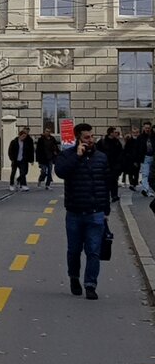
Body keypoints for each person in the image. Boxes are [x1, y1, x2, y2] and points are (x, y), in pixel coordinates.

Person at [54, 122, 112, 300]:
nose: (91, 140)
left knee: (93, 250)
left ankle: (90, 284)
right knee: (74, 250)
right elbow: (61, 172)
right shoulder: (67, 156)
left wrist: (106, 209)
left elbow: (106, 183)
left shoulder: (101, 157)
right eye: (87, 137)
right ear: (78, 138)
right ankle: (74, 277)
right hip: (74, 212)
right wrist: (77, 157)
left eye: (92, 136)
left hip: (95, 212)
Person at [98, 126, 125, 203]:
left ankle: (114, 195)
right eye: (114, 132)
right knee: (105, 181)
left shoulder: (117, 142)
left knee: (114, 181)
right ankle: (105, 196)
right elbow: (97, 152)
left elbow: (121, 153)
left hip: (114, 165)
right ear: (111, 133)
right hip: (105, 164)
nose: (116, 133)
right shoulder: (102, 142)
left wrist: (119, 164)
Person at [7, 127, 34, 191]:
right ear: (20, 135)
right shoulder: (14, 142)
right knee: (13, 172)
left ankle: (23, 185)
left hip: (23, 159)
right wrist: (12, 158)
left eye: (25, 136)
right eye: (23, 136)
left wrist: (31, 160)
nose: (24, 138)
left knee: (23, 172)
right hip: (15, 159)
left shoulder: (26, 142)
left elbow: (30, 151)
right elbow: (10, 151)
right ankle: (11, 185)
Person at [35, 126, 61, 190]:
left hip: (50, 157)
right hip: (43, 158)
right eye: (46, 131)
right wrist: (38, 159)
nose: (47, 132)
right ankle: (40, 180)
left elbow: (56, 146)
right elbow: (38, 150)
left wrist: (57, 153)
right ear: (44, 131)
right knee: (43, 172)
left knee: (49, 171)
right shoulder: (41, 139)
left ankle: (47, 185)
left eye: (49, 131)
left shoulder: (52, 139)